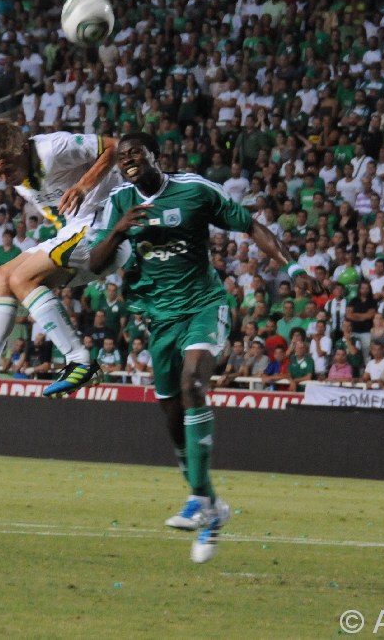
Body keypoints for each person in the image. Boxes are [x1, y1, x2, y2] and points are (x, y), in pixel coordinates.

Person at [89, 131, 318, 564]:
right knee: (172, 415)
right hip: (159, 319)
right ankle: (211, 507)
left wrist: (294, 266)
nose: (128, 160)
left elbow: (251, 225)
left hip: (203, 305)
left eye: (136, 152)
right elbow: (98, 265)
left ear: (156, 155)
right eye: (122, 156)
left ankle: (197, 500)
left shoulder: (193, 190)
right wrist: (119, 233)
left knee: (194, 383)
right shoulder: (119, 202)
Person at [0, 120, 128, 400]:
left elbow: (118, 146)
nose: (4, 178)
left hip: (105, 228)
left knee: (22, 277)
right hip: (76, 233)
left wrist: (83, 186)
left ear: (22, 148)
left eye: (7, 168)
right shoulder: (20, 178)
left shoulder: (53, 148)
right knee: (0, 277)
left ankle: (81, 361)